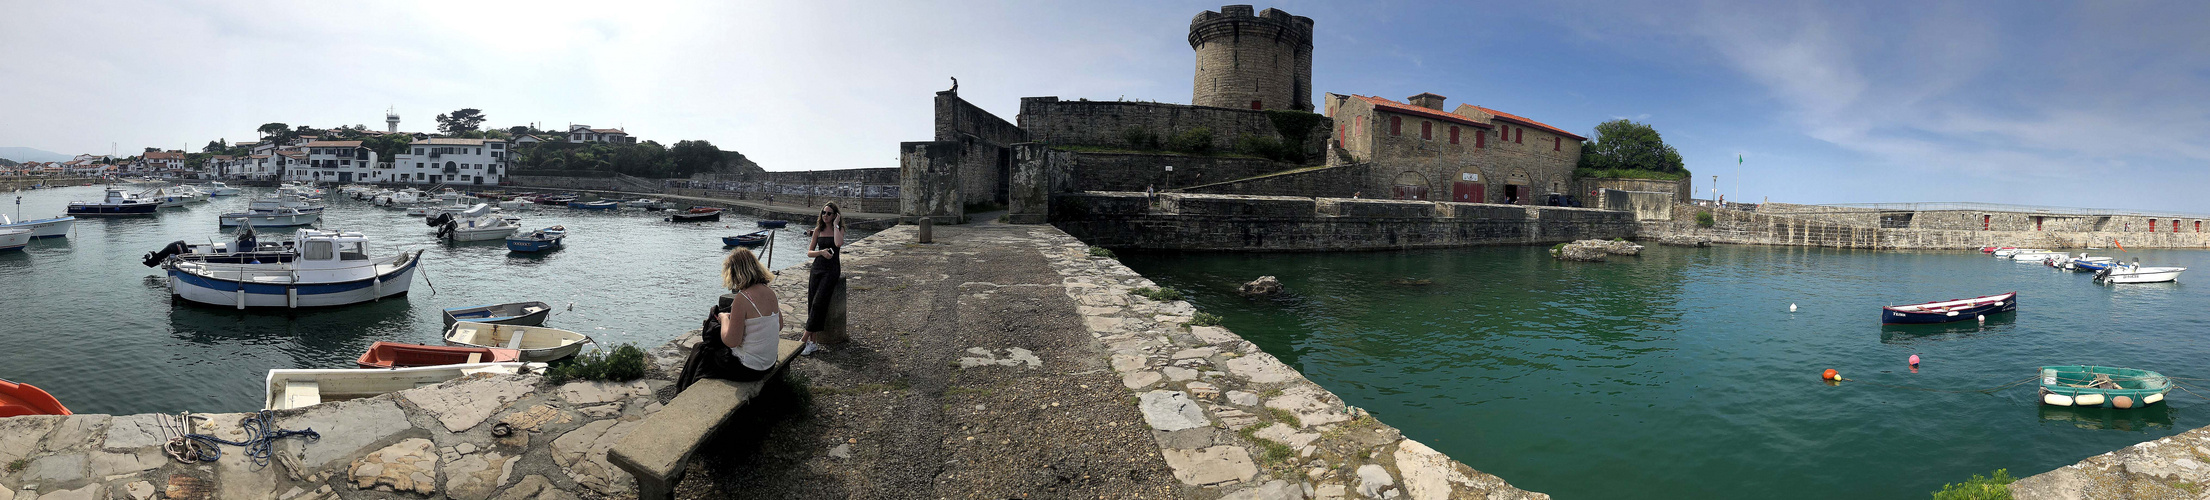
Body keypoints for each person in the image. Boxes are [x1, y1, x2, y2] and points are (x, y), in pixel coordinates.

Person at [677, 248, 780, 388]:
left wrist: (724, 318)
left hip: (750, 369)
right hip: (769, 363)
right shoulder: (770, 293)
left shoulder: (743, 298)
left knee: (702, 350)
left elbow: (731, 341)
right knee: (704, 351)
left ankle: (686, 390)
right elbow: (779, 325)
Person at [802, 202, 846, 355]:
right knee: (811, 303)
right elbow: (809, 252)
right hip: (817, 268)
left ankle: (802, 341)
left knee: (818, 303)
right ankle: (812, 343)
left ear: (835, 215)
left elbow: (838, 243)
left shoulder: (839, 229)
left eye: (829, 213)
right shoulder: (817, 230)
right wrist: (821, 253)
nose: (825, 215)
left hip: (831, 270)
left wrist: (835, 225)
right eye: (823, 213)